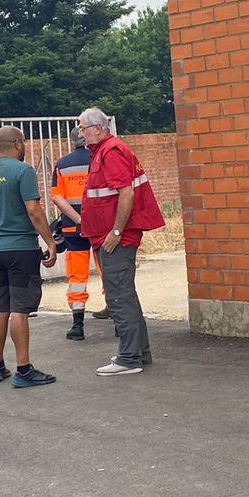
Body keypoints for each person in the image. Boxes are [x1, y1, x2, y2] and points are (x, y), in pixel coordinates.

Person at [77, 107, 165, 376]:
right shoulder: (105, 150)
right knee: (125, 294)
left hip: (115, 238)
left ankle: (129, 358)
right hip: (110, 236)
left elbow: (125, 193)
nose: (79, 132)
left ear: (98, 128)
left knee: (118, 295)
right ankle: (139, 353)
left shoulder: (110, 152)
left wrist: (115, 232)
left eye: (82, 127)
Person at [0, 126, 58, 388]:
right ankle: (23, 369)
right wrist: (50, 242)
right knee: (20, 310)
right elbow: (33, 210)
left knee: (1, 308)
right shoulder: (24, 171)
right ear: (18, 143)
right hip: (21, 249)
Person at [49, 126, 103, 340]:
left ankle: (77, 325)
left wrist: (78, 218)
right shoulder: (99, 159)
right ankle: (119, 321)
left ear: (72, 141)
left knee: (77, 276)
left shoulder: (62, 165)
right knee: (107, 269)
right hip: (100, 226)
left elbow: (56, 197)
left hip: (72, 228)